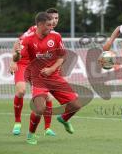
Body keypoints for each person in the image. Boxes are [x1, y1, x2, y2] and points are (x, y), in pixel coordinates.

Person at [14, 12, 81, 145]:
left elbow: (62, 56)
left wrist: (51, 69)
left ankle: (64, 119)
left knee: (76, 104)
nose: (51, 27)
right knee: (39, 109)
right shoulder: (27, 38)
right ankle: (31, 134)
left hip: (54, 75)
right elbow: (18, 57)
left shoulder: (56, 36)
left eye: (52, 25)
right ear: (39, 25)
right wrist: (15, 57)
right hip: (38, 77)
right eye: (48, 25)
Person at [9, 8, 59, 136]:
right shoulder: (33, 30)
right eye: (52, 18)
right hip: (23, 63)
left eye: (56, 18)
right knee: (21, 91)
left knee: (47, 96)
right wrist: (13, 61)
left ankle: (47, 128)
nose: (54, 21)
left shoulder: (53, 35)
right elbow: (18, 42)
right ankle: (17, 122)